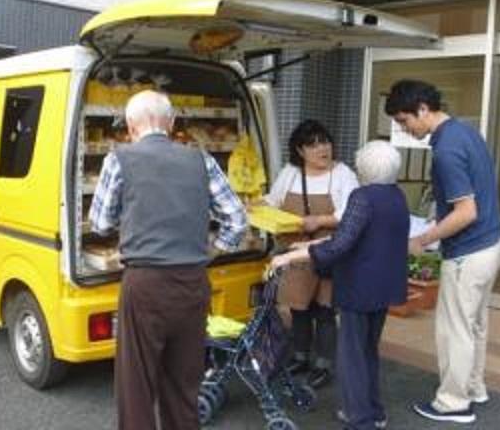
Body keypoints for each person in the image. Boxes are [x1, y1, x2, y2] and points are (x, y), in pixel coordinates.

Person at [89, 90, 247, 430]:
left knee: (137, 386)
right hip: (192, 281)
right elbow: (236, 217)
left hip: (144, 283)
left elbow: (100, 222)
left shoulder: (119, 159)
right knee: (183, 384)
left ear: (131, 126)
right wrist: (214, 248)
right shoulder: (200, 159)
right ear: (172, 123)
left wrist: (135, 217)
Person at [384, 79, 500, 424]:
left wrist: (422, 239)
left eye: (405, 121)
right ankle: (473, 387)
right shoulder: (465, 133)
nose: (405, 130)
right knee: (474, 324)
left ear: (423, 109)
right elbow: (475, 192)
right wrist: (440, 216)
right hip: (492, 242)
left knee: (455, 328)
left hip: (470, 251)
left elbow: (467, 212)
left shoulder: (446, 149)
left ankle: (453, 403)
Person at [271, 140, 409, 430]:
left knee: (351, 356)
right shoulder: (396, 196)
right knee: (368, 350)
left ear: (364, 168)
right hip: (384, 285)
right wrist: (310, 245)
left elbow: (343, 244)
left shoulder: (362, 197)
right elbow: (358, 235)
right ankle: (374, 412)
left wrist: (294, 255)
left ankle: (359, 420)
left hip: (360, 287)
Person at [263, 119, 359, 388]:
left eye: (325, 141)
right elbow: (274, 200)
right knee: (298, 306)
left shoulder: (342, 174)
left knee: (325, 309)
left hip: (329, 250)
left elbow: (350, 213)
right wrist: (259, 204)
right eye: (313, 144)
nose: (322, 149)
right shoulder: (290, 172)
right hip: (294, 251)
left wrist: (319, 221)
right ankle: (300, 356)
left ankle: (323, 364)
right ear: (300, 150)